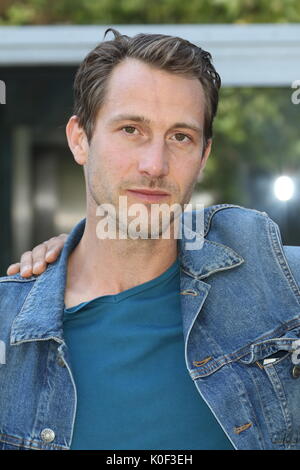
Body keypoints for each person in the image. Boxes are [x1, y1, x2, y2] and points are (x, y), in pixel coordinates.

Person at [1, 28, 300, 451]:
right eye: (130, 129)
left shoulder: (273, 283)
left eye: (181, 137)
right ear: (79, 139)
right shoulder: (8, 332)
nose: (154, 164)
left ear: (203, 157)